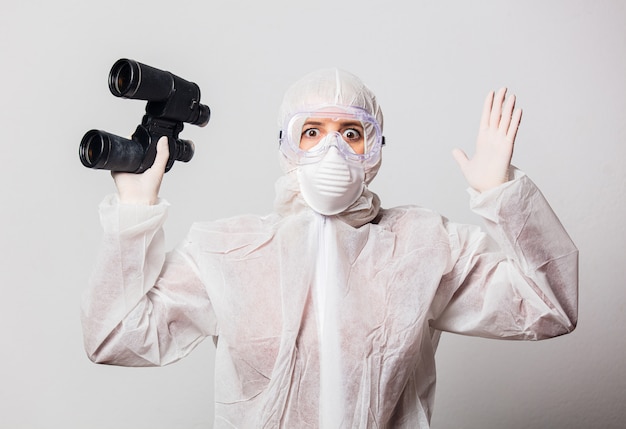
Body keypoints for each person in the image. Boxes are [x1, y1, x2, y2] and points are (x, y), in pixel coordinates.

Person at [81, 68, 578, 428]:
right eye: (312, 132)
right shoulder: (228, 253)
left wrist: (502, 194)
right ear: (287, 147)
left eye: (352, 133)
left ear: (376, 148)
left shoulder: (423, 247)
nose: (332, 150)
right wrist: (133, 214)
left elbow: (548, 306)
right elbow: (115, 337)